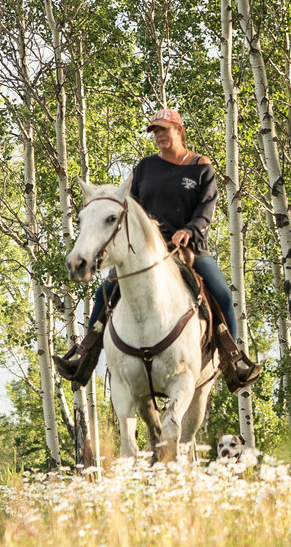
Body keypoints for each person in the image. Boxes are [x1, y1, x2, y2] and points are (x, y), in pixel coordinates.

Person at [56, 108, 260, 391]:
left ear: (179, 130)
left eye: (164, 130)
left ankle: (233, 358)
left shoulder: (201, 167)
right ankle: (84, 355)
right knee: (105, 291)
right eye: (155, 132)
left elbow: (207, 209)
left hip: (190, 248)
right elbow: (132, 207)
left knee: (222, 293)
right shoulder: (144, 168)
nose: (160, 136)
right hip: (147, 249)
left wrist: (188, 230)